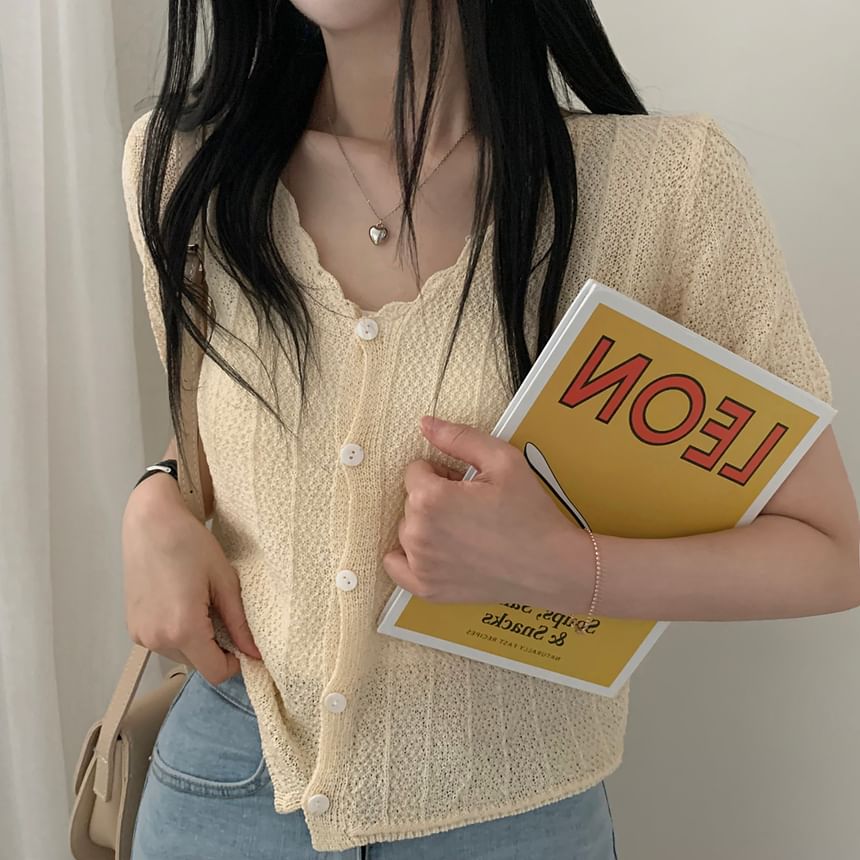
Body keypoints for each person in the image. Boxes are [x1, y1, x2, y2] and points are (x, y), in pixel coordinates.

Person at [120, 2, 860, 858]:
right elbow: (240, 432)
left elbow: (828, 552)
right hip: (225, 792)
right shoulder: (185, 169)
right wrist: (155, 501)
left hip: (516, 819)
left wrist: (561, 568)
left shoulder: (665, 188)